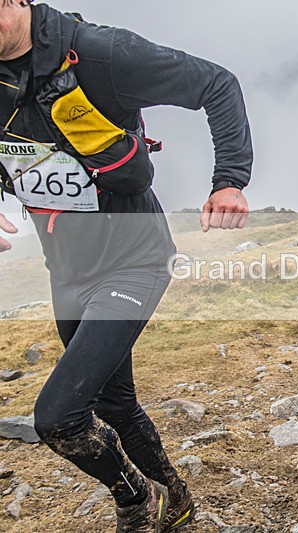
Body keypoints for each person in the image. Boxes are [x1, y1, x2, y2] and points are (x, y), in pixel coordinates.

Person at [0, 1, 252, 531]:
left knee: (59, 417)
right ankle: (176, 498)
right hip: (67, 266)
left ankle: (135, 496)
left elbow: (218, 84)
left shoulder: (101, 54)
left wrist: (229, 179)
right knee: (115, 404)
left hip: (134, 258)